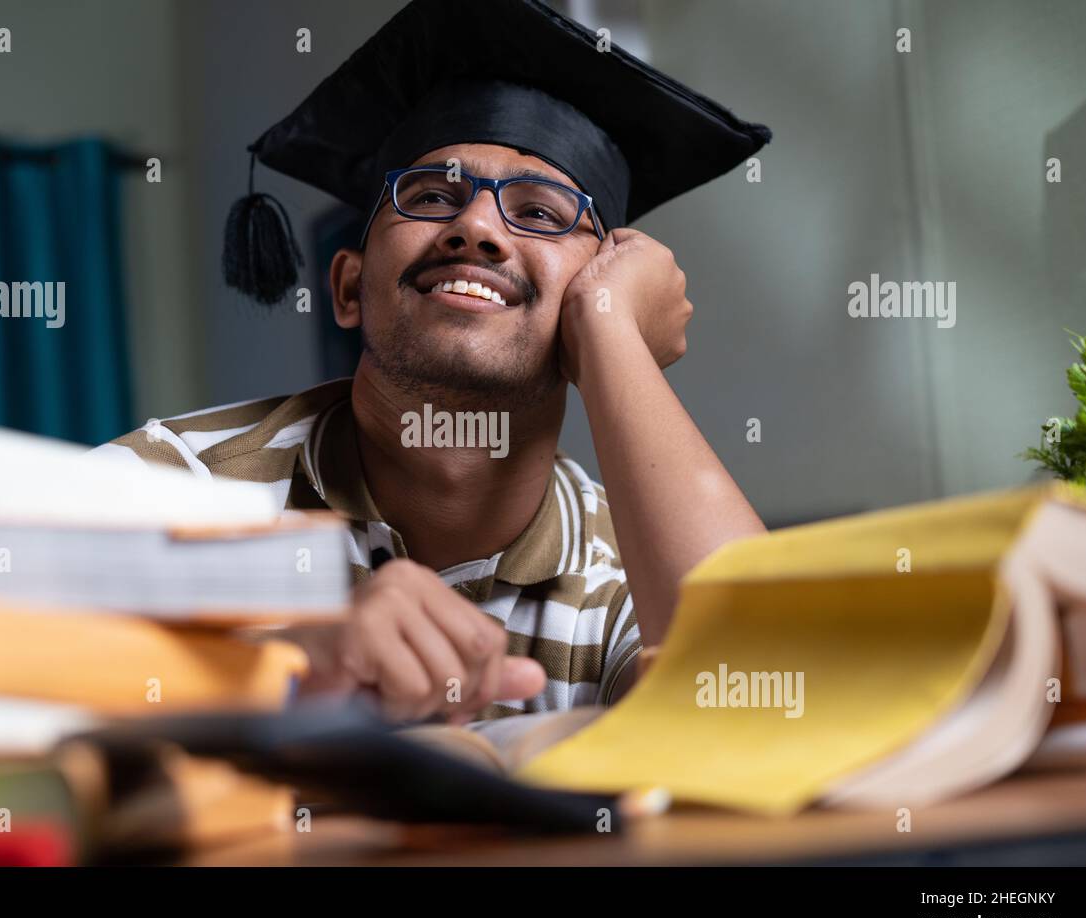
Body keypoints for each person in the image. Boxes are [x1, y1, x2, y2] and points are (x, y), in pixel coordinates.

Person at [93, 0, 771, 724]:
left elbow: (766, 703)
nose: (476, 227)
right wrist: (285, 673)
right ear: (349, 287)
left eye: (542, 213)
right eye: (432, 196)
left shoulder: (632, 563)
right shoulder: (170, 491)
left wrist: (614, 341)